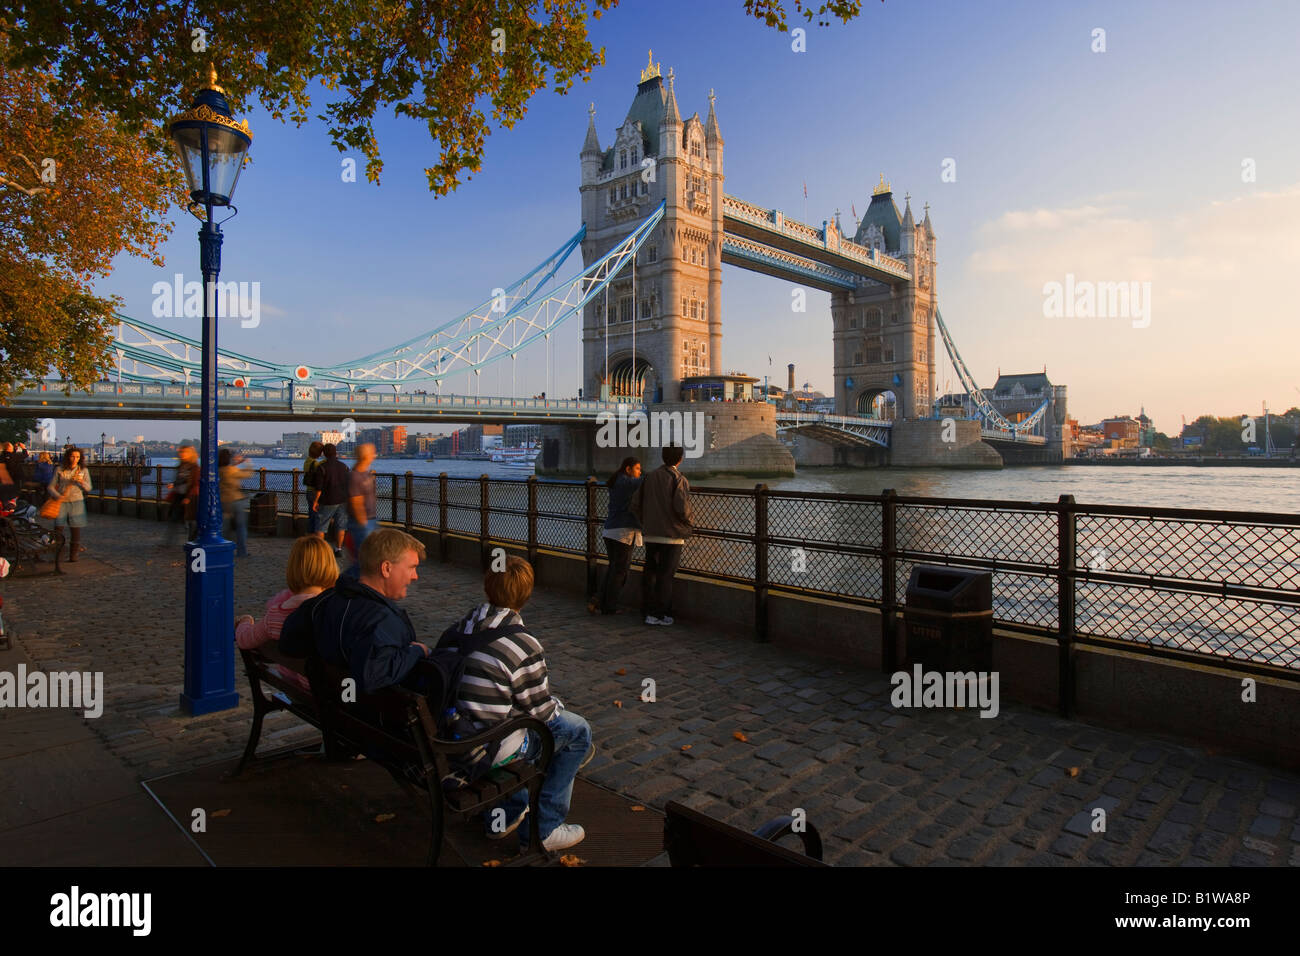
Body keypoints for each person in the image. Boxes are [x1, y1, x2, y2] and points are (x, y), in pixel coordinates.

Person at [439, 555, 591, 852]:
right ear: (527, 594)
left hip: (450, 741)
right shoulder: (522, 644)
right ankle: (544, 830)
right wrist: (557, 704)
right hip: (485, 750)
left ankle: (503, 817)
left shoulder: (459, 629)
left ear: (487, 585)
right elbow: (543, 714)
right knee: (576, 732)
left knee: (510, 716)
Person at [279, 527, 429, 692]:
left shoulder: (324, 601)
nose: (415, 576)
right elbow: (374, 675)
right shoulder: (380, 620)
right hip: (367, 712)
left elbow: (288, 642)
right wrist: (416, 651)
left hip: (333, 706)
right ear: (387, 568)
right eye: (411, 567)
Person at [235, 536, 339, 691]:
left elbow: (244, 639)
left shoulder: (277, 614)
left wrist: (245, 621)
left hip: (296, 692)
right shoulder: (335, 610)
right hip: (329, 697)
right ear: (330, 566)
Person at [629, 445, 693, 626]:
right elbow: (682, 508)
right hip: (672, 536)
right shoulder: (678, 479)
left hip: (651, 534)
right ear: (680, 459)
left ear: (663, 457)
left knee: (650, 573)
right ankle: (659, 614)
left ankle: (647, 611)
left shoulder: (648, 477)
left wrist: (646, 521)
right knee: (666, 576)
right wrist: (688, 523)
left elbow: (635, 503)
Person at [588, 456, 642, 615]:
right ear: (628, 469)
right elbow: (642, 482)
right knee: (620, 571)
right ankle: (609, 606)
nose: (640, 472)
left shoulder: (617, 481)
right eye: (638, 469)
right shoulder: (625, 482)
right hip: (622, 533)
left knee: (614, 569)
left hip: (611, 530)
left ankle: (598, 600)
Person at [47, 447, 92, 562]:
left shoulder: (83, 470)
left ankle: (73, 556)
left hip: (77, 501)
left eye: (77, 457)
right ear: (68, 457)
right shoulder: (59, 469)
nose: (75, 459)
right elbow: (50, 486)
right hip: (61, 501)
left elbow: (89, 488)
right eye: (72, 456)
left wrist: (81, 482)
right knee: (58, 529)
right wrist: (57, 495)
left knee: (75, 529)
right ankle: (58, 555)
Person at [313, 443, 351, 558]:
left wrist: (315, 501)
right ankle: (338, 549)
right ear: (336, 453)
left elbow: (319, 488)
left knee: (321, 526)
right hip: (343, 500)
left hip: (327, 500)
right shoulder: (344, 467)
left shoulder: (322, 468)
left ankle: (320, 551)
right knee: (341, 526)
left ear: (324, 454)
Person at [219, 448, 253, 557]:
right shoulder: (231, 470)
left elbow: (229, 468)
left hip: (223, 500)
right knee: (241, 527)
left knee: (225, 527)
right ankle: (241, 551)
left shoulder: (219, 470)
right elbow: (248, 474)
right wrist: (248, 464)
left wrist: (237, 463)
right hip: (236, 500)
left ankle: (223, 550)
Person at [348, 442, 378, 558]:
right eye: (372, 453)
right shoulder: (355, 476)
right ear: (366, 456)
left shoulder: (366, 473)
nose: (374, 456)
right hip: (361, 523)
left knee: (366, 559)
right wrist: (363, 523)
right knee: (363, 560)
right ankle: (345, 577)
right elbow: (356, 503)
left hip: (370, 519)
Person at [165, 445, 199, 545]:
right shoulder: (181, 466)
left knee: (191, 521)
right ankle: (169, 541)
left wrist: (188, 497)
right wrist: (173, 485)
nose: (182, 454)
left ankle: (191, 542)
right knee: (174, 518)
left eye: (185, 453)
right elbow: (181, 480)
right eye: (181, 453)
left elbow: (195, 484)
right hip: (178, 495)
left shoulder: (194, 468)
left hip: (189, 497)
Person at [302, 441, 324, 534]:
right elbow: (319, 467)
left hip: (308, 491)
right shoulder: (315, 464)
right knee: (317, 516)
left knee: (311, 515)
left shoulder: (307, 461)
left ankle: (310, 534)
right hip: (315, 492)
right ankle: (314, 536)